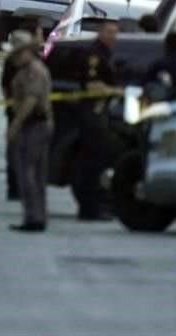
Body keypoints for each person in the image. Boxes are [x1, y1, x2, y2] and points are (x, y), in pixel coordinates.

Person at [5, 30, 53, 232]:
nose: (14, 58)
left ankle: (33, 217)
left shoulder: (33, 71)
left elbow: (30, 101)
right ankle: (37, 216)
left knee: (28, 172)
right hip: (37, 124)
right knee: (37, 173)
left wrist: (15, 125)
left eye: (17, 53)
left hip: (34, 125)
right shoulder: (27, 70)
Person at [72, 20, 119, 221]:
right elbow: (92, 87)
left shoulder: (106, 53)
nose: (112, 36)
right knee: (92, 164)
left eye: (115, 33)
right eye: (109, 32)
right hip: (92, 114)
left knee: (96, 163)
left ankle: (93, 207)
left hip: (100, 114)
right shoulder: (94, 55)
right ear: (100, 32)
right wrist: (117, 91)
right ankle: (89, 209)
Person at [1, 18, 46, 201]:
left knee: (18, 151)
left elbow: (4, 85)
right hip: (26, 112)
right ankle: (21, 188)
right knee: (23, 152)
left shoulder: (16, 59)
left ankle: (17, 187)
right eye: (40, 32)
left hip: (19, 110)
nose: (42, 36)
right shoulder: (27, 61)